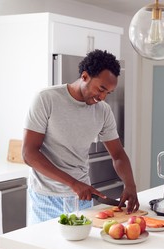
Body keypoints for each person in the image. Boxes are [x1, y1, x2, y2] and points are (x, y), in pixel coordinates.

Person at [22, 49, 140, 224]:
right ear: (85, 76)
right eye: (101, 89)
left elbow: (118, 155)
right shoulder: (46, 99)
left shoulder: (103, 111)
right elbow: (29, 154)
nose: (103, 97)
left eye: (108, 93)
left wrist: (130, 185)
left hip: (82, 198)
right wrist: (73, 183)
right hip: (45, 198)